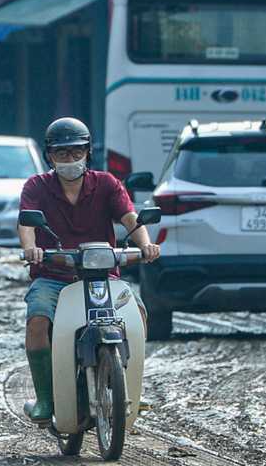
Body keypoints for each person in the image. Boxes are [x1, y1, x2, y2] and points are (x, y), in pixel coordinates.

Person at [16, 117, 160, 423]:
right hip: (53, 276)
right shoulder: (36, 187)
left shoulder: (107, 184)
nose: (70, 159)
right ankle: (45, 396)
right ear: (49, 156)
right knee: (38, 318)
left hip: (103, 276)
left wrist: (145, 244)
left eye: (77, 152)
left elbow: (130, 218)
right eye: (62, 153)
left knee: (137, 313)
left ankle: (130, 382)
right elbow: (26, 223)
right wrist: (32, 249)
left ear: (88, 153)